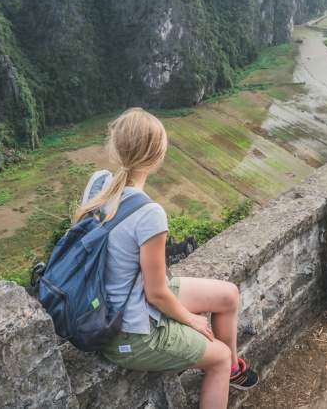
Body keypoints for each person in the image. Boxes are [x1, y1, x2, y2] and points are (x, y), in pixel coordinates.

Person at [74, 108, 257, 408]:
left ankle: (233, 371)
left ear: (115, 147)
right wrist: (191, 321)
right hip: (126, 330)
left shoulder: (97, 183)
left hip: (119, 302)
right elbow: (157, 293)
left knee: (228, 295)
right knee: (220, 357)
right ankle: (226, 366)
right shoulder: (149, 214)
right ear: (158, 156)